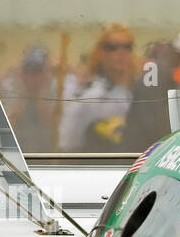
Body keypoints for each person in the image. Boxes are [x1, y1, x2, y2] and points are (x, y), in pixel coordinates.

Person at [58, 23, 137, 151]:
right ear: (101, 53)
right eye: (112, 47)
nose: (120, 52)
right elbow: (68, 143)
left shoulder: (142, 92)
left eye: (126, 46)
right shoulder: (91, 98)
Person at [1, 46, 58, 152]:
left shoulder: (56, 90)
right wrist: (24, 94)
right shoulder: (11, 90)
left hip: (46, 154)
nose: (32, 77)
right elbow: (5, 129)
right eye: (28, 72)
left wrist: (41, 93)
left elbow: (55, 129)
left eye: (37, 72)